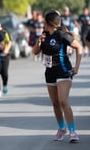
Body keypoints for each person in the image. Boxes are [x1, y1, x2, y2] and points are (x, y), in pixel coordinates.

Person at [32, 10, 82, 143]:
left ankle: (72, 131)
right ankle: (61, 129)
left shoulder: (61, 35)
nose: (43, 24)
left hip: (63, 70)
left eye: (44, 22)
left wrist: (76, 67)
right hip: (49, 72)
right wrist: (38, 42)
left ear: (49, 23)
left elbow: (79, 48)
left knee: (63, 101)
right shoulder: (44, 35)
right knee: (55, 103)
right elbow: (35, 52)